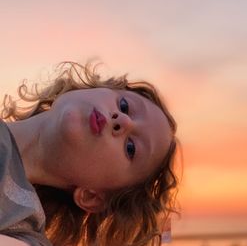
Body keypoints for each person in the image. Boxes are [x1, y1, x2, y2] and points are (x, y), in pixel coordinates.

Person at [0, 61, 180, 246]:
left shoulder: (21, 231)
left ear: (92, 196)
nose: (123, 120)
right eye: (124, 106)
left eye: (130, 148)